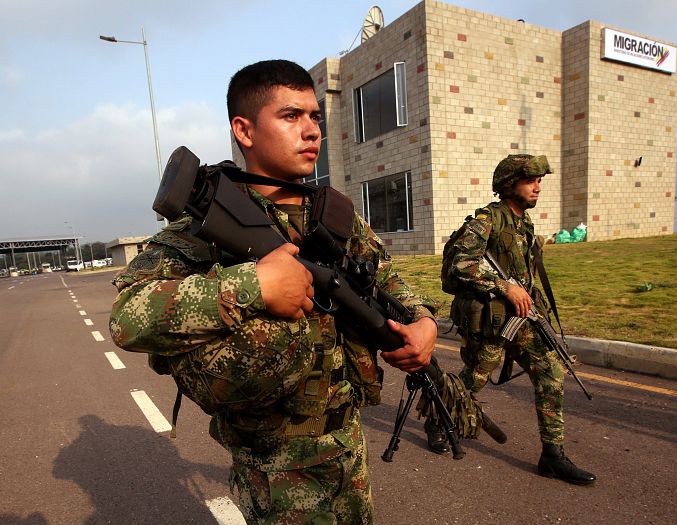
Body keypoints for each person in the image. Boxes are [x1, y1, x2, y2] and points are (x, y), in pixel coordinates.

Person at [109, 59, 438, 523]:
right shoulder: (200, 230)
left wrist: (423, 321)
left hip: (348, 445)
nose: (311, 132)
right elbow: (127, 317)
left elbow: (385, 278)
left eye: (314, 117)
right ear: (244, 131)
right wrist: (253, 285)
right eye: (290, 116)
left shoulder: (336, 216)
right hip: (277, 467)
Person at [439, 153, 596, 486]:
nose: (537, 188)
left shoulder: (524, 223)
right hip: (492, 320)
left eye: (540, 181)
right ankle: (442, 420)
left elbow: (522, 274)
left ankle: (552, 456)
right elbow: (460, 267)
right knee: (475, 379)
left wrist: (531, 301)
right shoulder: (486, 220)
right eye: (531, 181)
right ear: (510, 185)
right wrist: (503, 286)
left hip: (522, 318)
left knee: (551, 369)